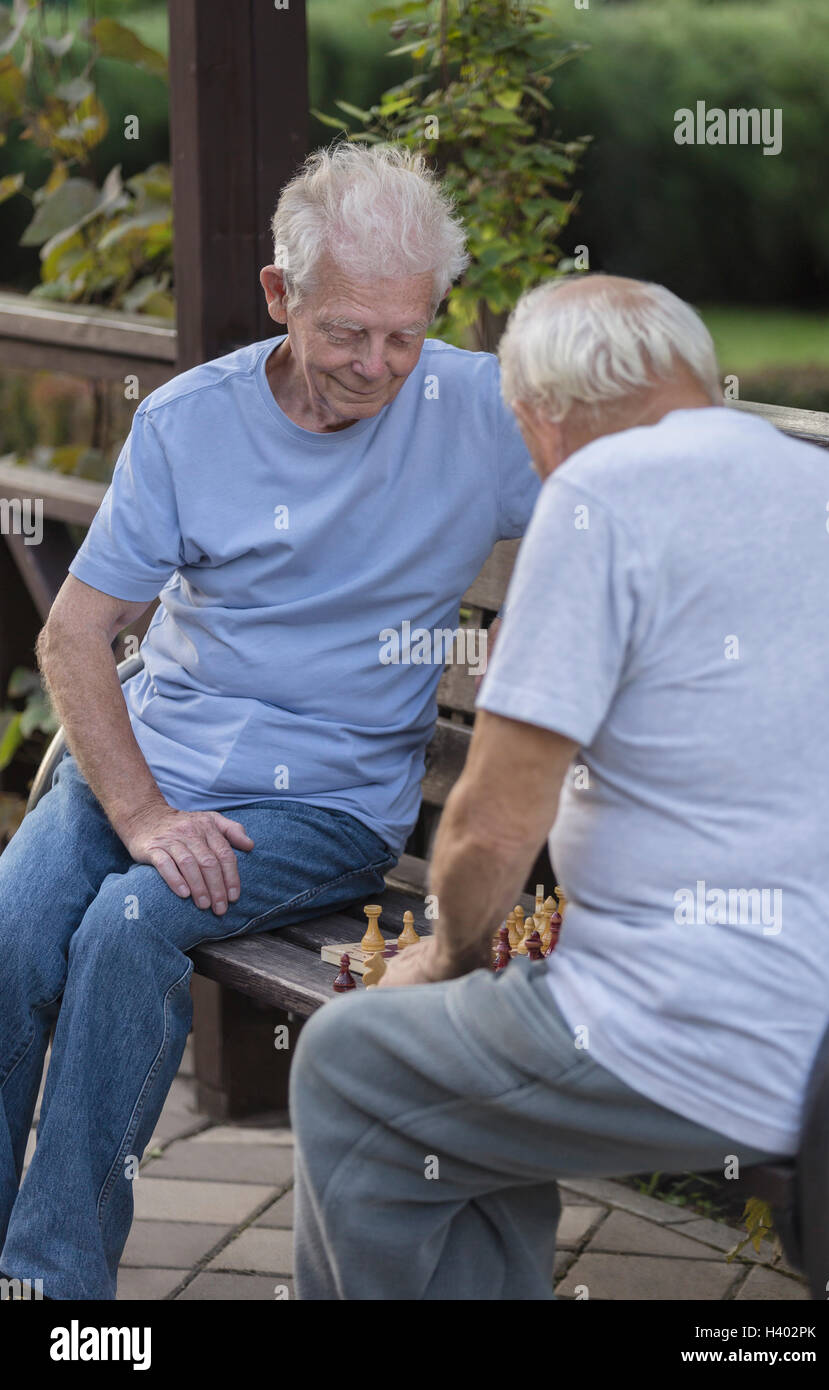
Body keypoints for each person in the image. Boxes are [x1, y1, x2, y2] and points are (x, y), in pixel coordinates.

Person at [0, 143, 539, 1300]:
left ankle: (50, 1287)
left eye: (405, 333)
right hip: (153, 764)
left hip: (327, 799)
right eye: (347, 330)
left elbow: (631, 490)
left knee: (128, 928)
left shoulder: (476, 412)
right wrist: (141, 810)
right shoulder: (191, 425)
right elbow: (73, 636)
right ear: (278, 294)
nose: (378, 365)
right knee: (12, 933)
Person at [289, 272, 829, 1301]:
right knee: (456, 1093)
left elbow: (492, 829)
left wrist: (450, 957)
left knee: (352, 1062)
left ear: (541, 412)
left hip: (709, 1043)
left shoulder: (600, 495)